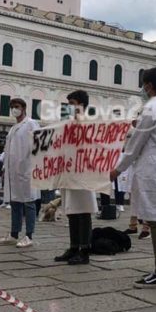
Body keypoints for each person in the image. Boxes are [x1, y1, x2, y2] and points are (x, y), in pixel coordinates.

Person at [110, 67, 156, 288]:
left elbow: (136, 143)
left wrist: (118, 168)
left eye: (144, 84)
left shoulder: (151, 108)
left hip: (152, 169)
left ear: (148, 85)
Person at [55, 91, 98, 265]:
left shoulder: (90, 124)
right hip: (69, 172)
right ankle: (73, 247)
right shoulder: (68, 123)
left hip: (83, 173)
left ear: (81, 104)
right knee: (71, 209)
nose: (69, 107)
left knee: (83, 210)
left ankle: (84, 249)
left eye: (72, 103)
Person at [0, 98, 39, 248]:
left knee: (29, 201)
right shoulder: (14, 128)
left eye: (17, 106)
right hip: (13, 170)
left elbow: (37, 145)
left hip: (27, 169)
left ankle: (29, 235)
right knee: (15, 201)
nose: (15, 109)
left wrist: (31, 164)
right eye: (13, 107)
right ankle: (14, 234)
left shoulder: (31, 124)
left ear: (24, 108)